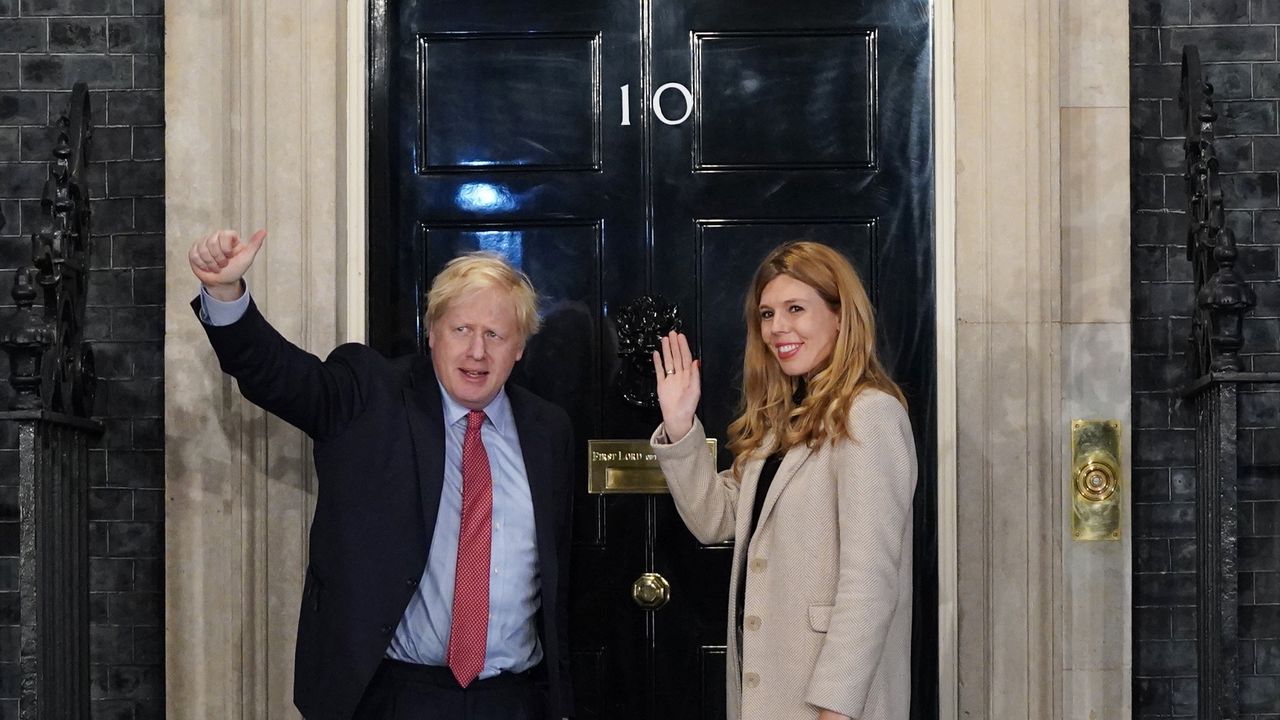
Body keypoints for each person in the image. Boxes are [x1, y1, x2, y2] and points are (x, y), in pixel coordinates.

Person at [189, 229, 574, 720]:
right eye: (461, 330)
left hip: (514, 699)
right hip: (395, 696)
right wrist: (226, 295)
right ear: (431, 331)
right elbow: (279, 376)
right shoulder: (371, 395)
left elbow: (563, 576)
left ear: (519, 348)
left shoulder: (548, 430)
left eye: (495, 335)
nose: (477, 352)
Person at [649, 241, 916, 720]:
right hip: (769, 689)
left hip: (828, 702)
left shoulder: (871, 414)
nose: (777, 328)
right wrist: (679, 425)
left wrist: (836, 708)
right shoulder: (782, 422)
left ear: (840, 316)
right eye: (768, 313)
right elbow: (715, 520)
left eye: (796, 308)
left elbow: (871, 583)